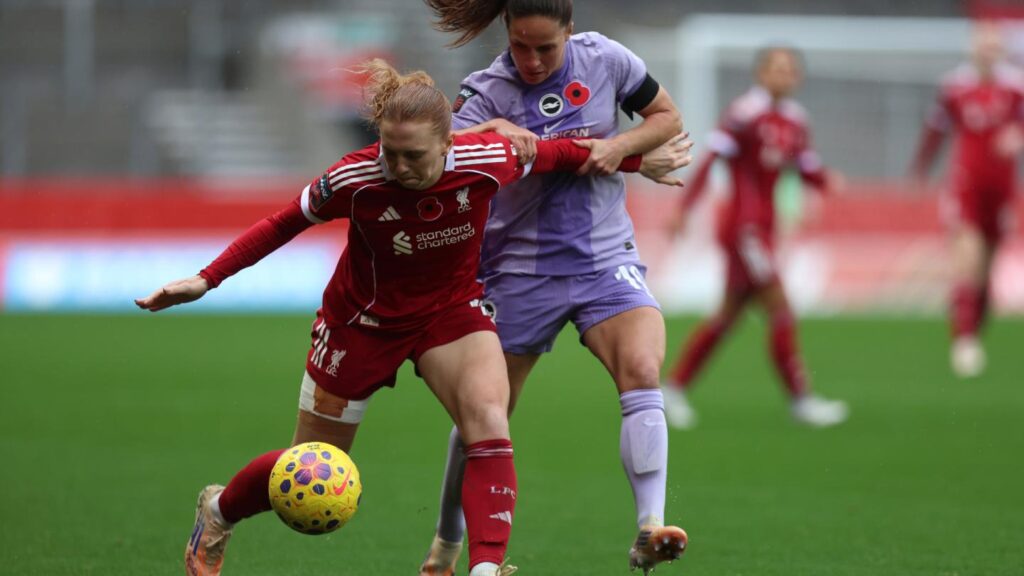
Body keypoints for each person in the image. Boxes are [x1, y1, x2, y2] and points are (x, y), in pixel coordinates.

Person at [135, 59, 689, 576]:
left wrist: (640, 160)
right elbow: (282, 223)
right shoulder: (353, 179)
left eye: (413, 157)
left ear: (450, 144)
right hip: (359, 325)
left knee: (489, 420)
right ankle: (220, 508)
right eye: (389, 153)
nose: (398, 167)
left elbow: (567, 156)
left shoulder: (490, 158)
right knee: (309, 475)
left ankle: (485, 567)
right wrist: (206, 279)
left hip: (449, 317)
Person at [418, 2, 690, 575]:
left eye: (547, 47)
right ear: (506, 34)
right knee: (487, 414)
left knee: (641, 366)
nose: (535, 60)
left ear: (571, 32)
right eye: (522, 46)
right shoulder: (486, 92)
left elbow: (666, 116)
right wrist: (490, 131)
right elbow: (438, 164)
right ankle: (444, 549)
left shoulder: (606, 59)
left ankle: (649, 527)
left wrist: (621, 147)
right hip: (517, 269)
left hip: (603, 259)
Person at [661, 46, 849, 430]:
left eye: (789, 70)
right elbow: (713, 160)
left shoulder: (796, 121)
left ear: (797, 78)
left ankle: (673, 388)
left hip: (765, 229)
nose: (782, 76)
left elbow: (806, 168)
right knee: (781, 309)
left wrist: (827, 179)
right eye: (775, 68)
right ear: (760, 74)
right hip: (743, 229)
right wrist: (684, 208)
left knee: (727, 315)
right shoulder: (744, 114)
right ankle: (801, 399)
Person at [911, 22, 1024, 378]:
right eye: (982, 45)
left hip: (1002, 190)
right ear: (972, 49)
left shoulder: (1016, 88)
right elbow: (936, 130)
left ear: (1002, 51)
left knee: (987, 275)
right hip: (965, 186)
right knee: (968, 261)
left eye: (994, 46)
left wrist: (1017, 135)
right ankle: (963, 340)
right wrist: (921, 169)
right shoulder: (954, 87)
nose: (988, 51)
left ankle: (973, 330)